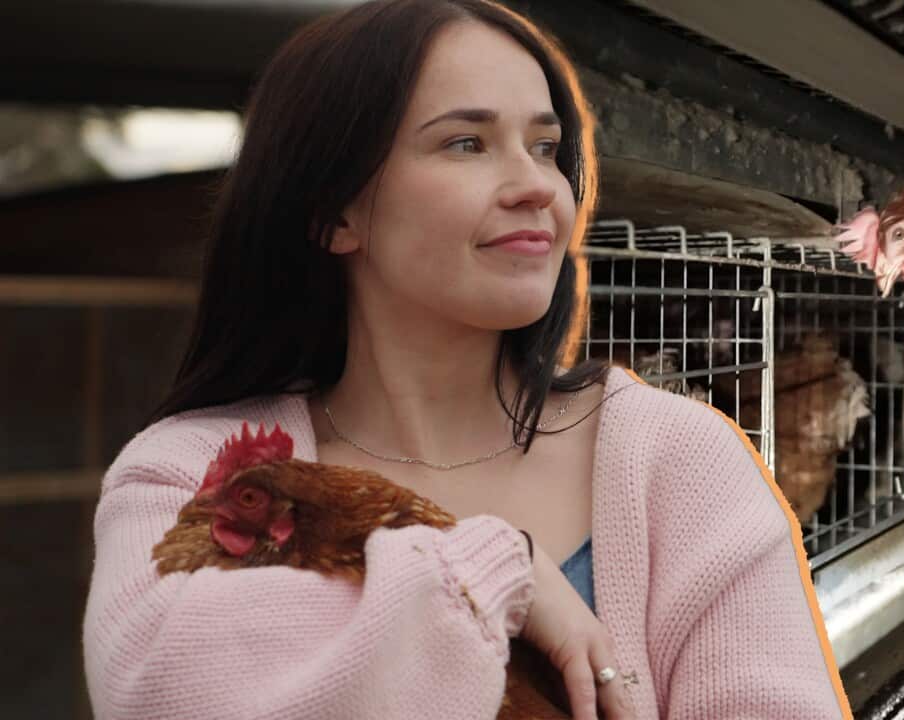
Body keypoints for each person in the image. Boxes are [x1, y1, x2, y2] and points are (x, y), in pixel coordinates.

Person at [80, 2, 848, 719]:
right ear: (333, 213)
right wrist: (495, 574)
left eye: (545, 148)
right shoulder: (191, 467)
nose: (537, 187)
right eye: (465, 142)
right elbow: (158, 682)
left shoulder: (679, 457)